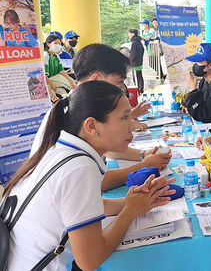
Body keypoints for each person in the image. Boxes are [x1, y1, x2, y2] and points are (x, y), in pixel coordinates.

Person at [4, 81, 174, 270]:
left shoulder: (61, 150)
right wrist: (129, 212)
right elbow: (89, 260)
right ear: (92, 125)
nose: (132, 126)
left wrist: (128, 203)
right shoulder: (79, 168)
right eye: (125, 117)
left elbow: (73, 207)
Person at [31, 43, 171, 192]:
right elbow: (96, 182)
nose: (123, 88)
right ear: (96, 80)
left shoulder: (80, 106)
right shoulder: (74, 116)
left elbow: (107, 148)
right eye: (119, 81)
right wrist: (144, 166)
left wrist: (143, 154)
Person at [43, 35, 77, 102]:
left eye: (59, 43)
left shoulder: (57, 57)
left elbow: (62, 71)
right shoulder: (46, 55)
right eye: (55, 43)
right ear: (48, 44)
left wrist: (72, 82)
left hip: (56, 81)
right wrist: (52, 87)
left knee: (71, 88)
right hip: (49, 82)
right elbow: (44, 75)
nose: (58, 45)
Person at [128, 28, 145, 95]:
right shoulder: (138, 41)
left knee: (136, 76)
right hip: (139, 62)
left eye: (129, 33)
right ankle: (141, 89)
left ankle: (138, 91)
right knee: (139, 75)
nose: (128, 35)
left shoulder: (134, 43)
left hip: (135, 63)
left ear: (133, 34)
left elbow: (133, 53)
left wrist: (130, 60)